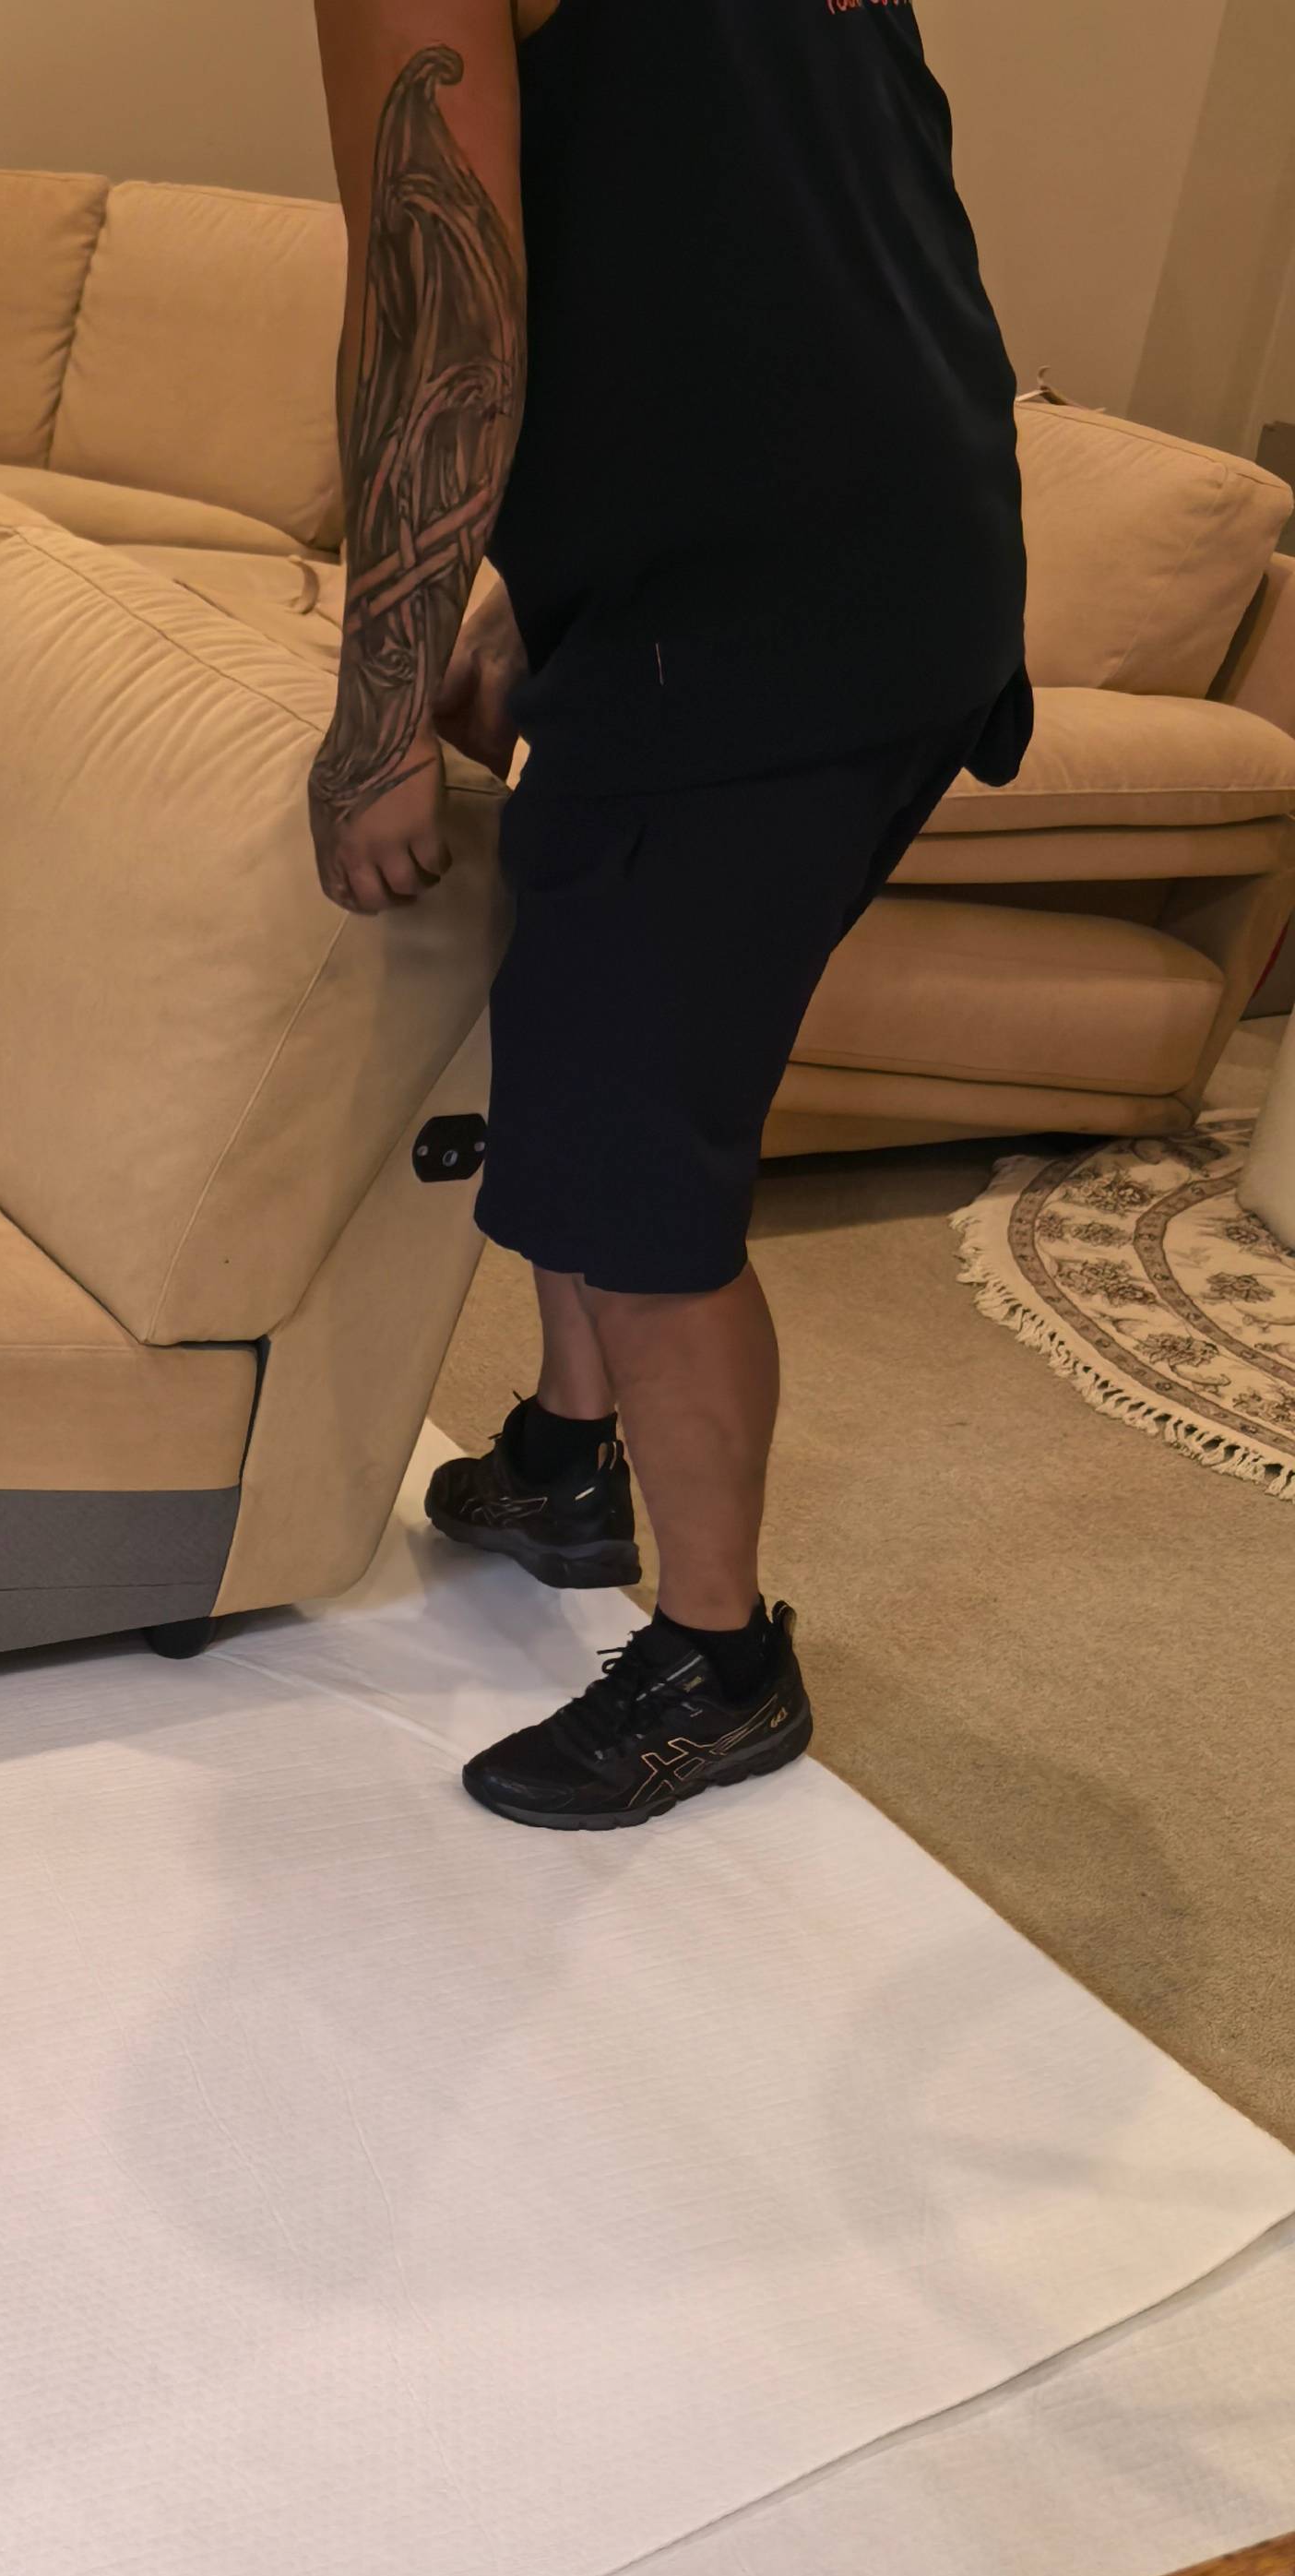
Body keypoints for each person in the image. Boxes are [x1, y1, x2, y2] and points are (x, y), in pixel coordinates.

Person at [306, 0, 1028, 1827]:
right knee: (579, 1007)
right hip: (901, 561)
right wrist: (539, 602)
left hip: (763, 624)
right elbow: (760, 224)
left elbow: (441, 320)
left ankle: (721, 1659)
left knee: (637, 1157)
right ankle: (570, 1457)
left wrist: (377, 719)